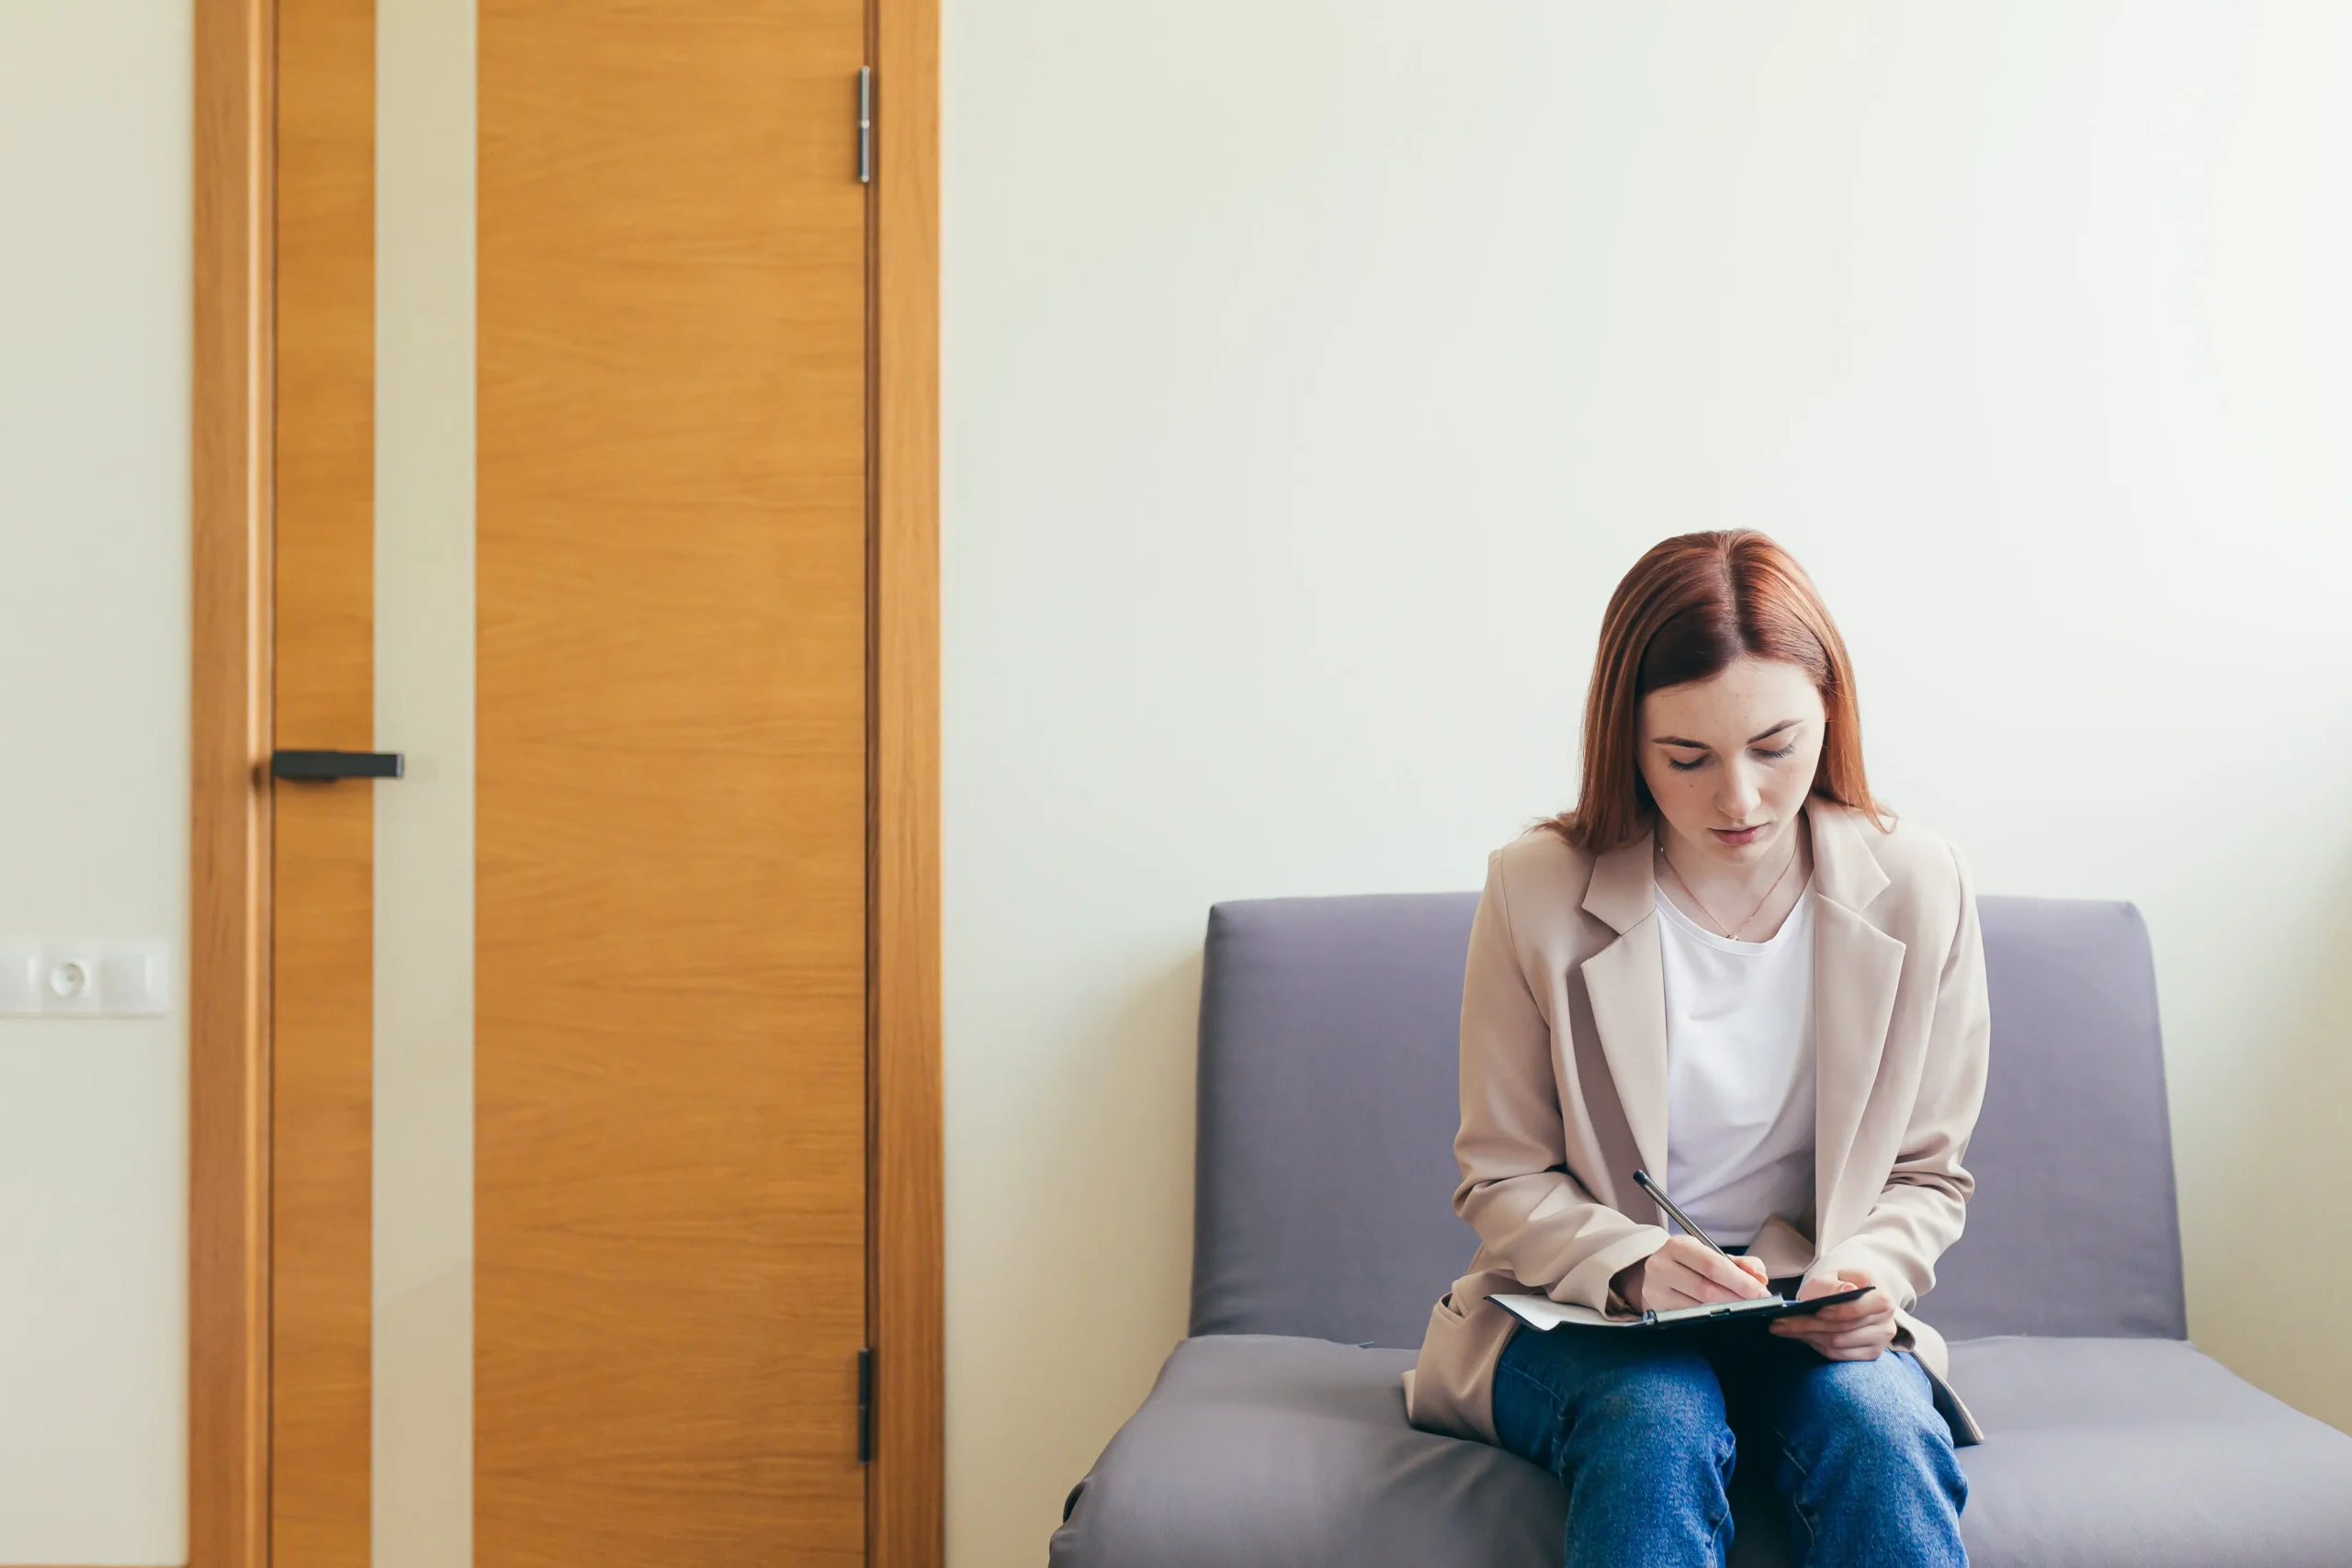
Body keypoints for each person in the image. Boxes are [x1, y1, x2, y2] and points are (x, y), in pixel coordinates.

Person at [1403, 531, 1987, 1568]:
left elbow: (1926, 1175)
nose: (1740, 800)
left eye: (1775, 748)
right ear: (1625, 741)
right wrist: (1629, 1267)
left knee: (1882, 1433)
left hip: (1807, 1320)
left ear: (1830, 717)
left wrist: (1863, 1273)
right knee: (1657, 1422)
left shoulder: (1920, 883)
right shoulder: (1533, 890)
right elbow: (1500, 1172)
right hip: (1586, 1321)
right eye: (1687, 758)